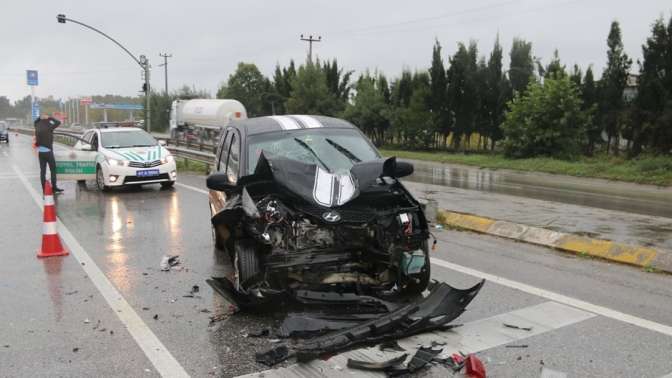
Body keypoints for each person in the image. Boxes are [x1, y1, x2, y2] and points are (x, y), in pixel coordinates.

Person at [34, 114, 63, 193]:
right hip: (49, 152)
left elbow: (35, 121)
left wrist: (40, 117)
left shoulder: (37, 125)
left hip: (41, 153)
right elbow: (58, 122)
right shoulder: (49, 126)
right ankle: (54, 187)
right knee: (53, 170)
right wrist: (50, 117)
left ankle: (44, 189)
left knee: (42, 171)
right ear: (47, 120)